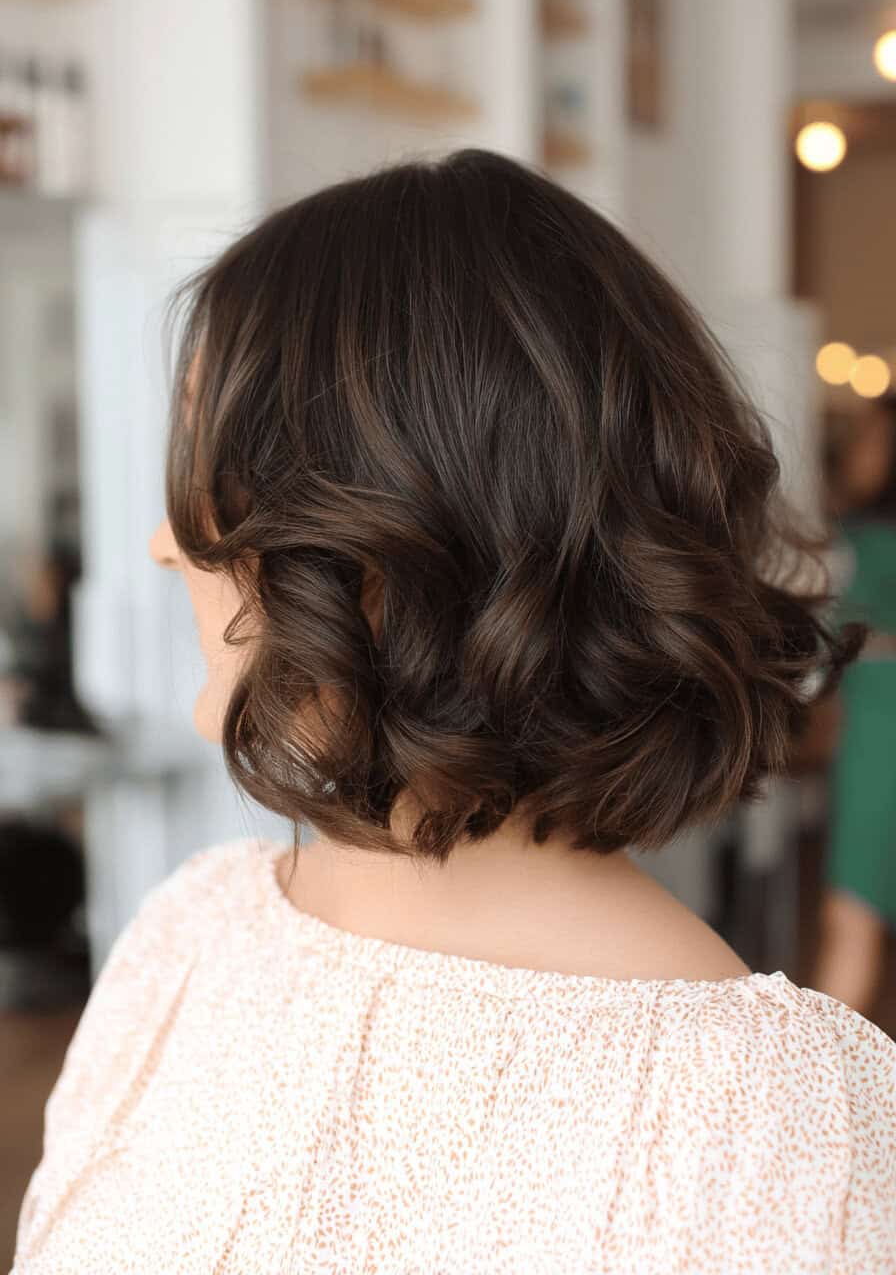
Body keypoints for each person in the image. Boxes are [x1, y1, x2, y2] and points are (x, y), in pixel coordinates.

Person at [11, 150, 894, 1274]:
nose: (164, 540)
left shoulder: (764, 1121)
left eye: (209, 480)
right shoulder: (186, 940)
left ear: (399, 542)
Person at [813, 392, 896, 1017]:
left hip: (880, 728)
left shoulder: (864, 539)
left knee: (853, 914)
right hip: (869, 721)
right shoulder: (854, 533)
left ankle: (819, 1101)